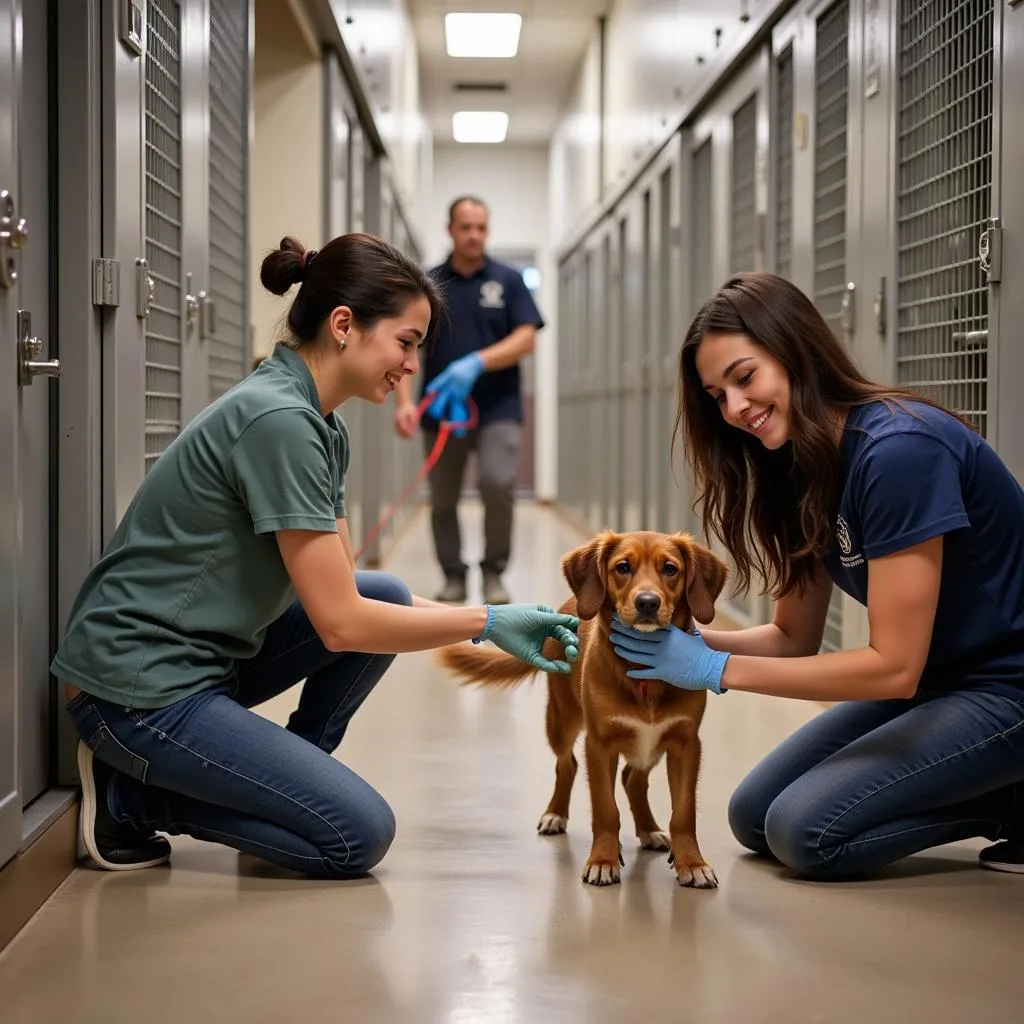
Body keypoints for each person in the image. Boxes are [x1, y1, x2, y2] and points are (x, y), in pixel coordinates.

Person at [52, 233, 579, 878]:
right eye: (407, 343)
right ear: (343, 326)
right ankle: (129, 799)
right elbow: (341, 625)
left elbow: (352, 599)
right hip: (135, 692)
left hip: (202, 662)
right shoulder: (278, 420)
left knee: (381, 591)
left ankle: (289, 786)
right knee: (355, 835)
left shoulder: (321, 422)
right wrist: (487, 623)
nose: (413, 365)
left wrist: (483, 619)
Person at [610, 272, 1024, 880]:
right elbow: (791, 638)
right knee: (753, 817)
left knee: (808, 833)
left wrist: (714, 671)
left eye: (745, 377)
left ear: (795, 350)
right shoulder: (799, 469)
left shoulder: (899, 452)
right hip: (943, 686)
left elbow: (893, 666)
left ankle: (1010, 801)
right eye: (717, 395)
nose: (735, 408)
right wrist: (672, 643)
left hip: (1008, 689)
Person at [394, 196, 544, 606]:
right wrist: (405, 403)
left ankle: (493, 570)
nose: (474, 235)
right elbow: (407, 345)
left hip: (499, 408)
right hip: (443, 410)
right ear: (450, 230)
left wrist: (477, 362)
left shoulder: (509, 281)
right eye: (466, 227)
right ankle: (454, 576)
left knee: (498, 483)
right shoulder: (428, 283)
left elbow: (527, 336)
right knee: (442, 497)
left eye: (481, 227)